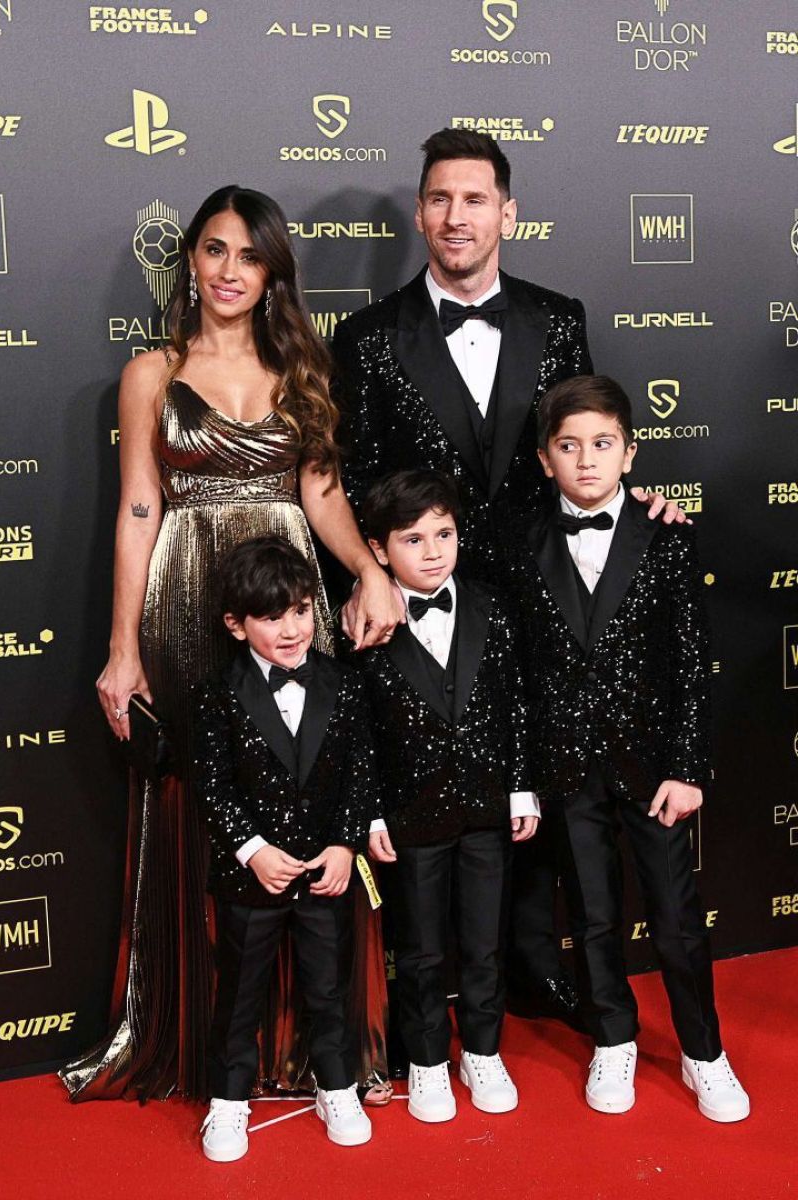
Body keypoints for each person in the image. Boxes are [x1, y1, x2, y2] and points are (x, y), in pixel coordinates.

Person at [334, 127, 685, 1026]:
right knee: (431, 782)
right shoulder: (369, 338)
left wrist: (644, 510)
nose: (458, 217)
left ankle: (534, 968)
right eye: (441, 199)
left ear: (508, 212)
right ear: (419, 213)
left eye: (477, 198)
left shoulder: (557, 316)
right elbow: (357, 472)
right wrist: (373, 573)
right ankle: (433, 988)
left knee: (539, 782)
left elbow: (581, 441)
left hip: (542, 597)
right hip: (421, 596)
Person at [60, 185, 400, 1103]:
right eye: (215, 251)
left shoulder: (304, 368)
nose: (230, 271)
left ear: (273, 273)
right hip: (184, 597)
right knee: (198, 801)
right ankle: (201, 1035)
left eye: (250, 257)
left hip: (286, 578)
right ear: (192, 261)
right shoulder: (150, 374)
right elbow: (139, 507)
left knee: (302, 781)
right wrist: (122, 645)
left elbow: (322, 495)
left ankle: (315, 1043)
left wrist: (369, 571)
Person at [517, 374, 750, 1121]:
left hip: (654, 767)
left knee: (678, 919)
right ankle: (613, 1040)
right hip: (567, 765)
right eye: (569, 446)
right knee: (590, 914)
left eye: (603, 444)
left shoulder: (667, 537)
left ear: (630, 452)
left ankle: (703, 1051)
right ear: (547, 457)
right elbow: (514, 667)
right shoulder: (519, 539)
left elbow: (691, 659)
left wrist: (687, 767)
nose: (587, 461)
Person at [361, 469, 537, 1123]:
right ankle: (430, 1061)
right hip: (412, 815)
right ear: (380, 550)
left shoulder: (493, 604)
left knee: (485, 941)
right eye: (413, 539)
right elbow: (357, 732)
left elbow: (516, 703)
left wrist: (521, 786)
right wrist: (371, 809)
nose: (433, 551)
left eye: (444, 534)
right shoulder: (366, 623)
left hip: (489, 809)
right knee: (421, 947)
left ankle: (483, 1052)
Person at [195, 536, 375, 1160]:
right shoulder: (218, 693)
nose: (292, 628)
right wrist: (252, 849)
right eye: (272, 618)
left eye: (301, 610)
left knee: (329, 988)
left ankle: (338, 1085)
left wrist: (346, 846)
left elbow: (361, 775)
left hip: (326, 873)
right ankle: (228, 1102)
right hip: (253, 879)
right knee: (240, 993)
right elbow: (211, 786)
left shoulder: (343, 684)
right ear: (236, 625)